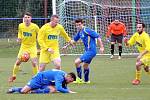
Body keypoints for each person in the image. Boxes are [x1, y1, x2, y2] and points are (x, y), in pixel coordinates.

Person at [63, 18, 104, 83]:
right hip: (88, 51)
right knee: (85, 65)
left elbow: (98, 36)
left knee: (77, 62)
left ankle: (79, 79)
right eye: (77, 25)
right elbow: (74, 41)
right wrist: (66, 46)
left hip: (91, 51)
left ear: (82, 24)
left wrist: (101, 47)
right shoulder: (79, 32)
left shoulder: (87, 30)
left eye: (79, 25)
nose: (78, 26)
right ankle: (87, 80)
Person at [8, 12, 39, 83]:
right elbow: (20, 32)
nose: (27, 19)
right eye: (25, 17)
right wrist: (19, 38)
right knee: (18, 62)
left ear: (31, 18)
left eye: (28, 17)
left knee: (34, 62)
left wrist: (41, 42)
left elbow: (40, 34)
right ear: (23, 19)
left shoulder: (35, 26)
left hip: (32, 47)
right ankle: (13, 76)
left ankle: (37, 78)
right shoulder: (21, 26)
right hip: (24, 46)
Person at [7, 69, 76, 94]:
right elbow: (59, 88)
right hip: (38, 79)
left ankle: (32, 91)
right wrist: (68, 91)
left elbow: (63, 86)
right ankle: (14, 88)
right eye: (70, 80)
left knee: (52, 90)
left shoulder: (64, 76)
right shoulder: (60, 76)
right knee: (23, 91)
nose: (69, 82)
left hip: (45, 83)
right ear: (69, 76)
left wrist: (67, 90)